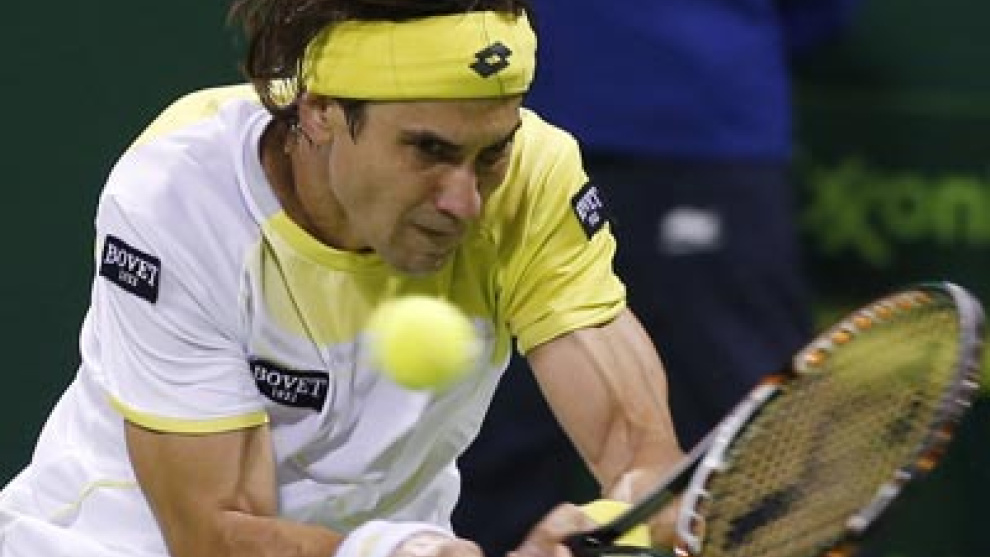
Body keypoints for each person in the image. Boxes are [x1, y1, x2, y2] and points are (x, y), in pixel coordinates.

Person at [0, 1, 685, 557]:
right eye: (429, 149)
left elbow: (640, 458)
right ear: (319, 111)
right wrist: (397, 550)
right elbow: (213, 535)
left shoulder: (534, 179)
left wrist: (617, 524)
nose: (465, 200)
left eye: (491, 153)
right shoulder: (180, 197)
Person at [455, 0, 861, 553]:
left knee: (754, 449)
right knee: (489, 448)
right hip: (522, 128)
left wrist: (698, 46)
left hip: (701, 131)